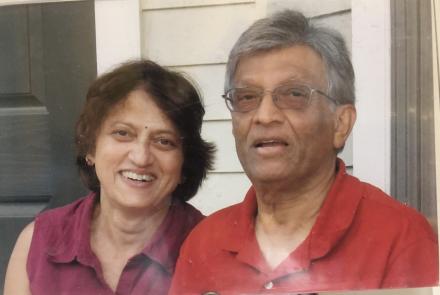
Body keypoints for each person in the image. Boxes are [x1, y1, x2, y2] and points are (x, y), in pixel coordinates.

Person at [169, 9, 438, 294]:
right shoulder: (205, 243)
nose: (265, 115)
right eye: (247, 97)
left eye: (294, 94)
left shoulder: (398, 238)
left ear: (340, 123)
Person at [4, 60, 215, 295]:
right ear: (91, 148)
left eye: (164, 141)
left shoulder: (212, 249)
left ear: (184, 164)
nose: (141, 157)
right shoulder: (38, 242)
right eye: (122, 133)